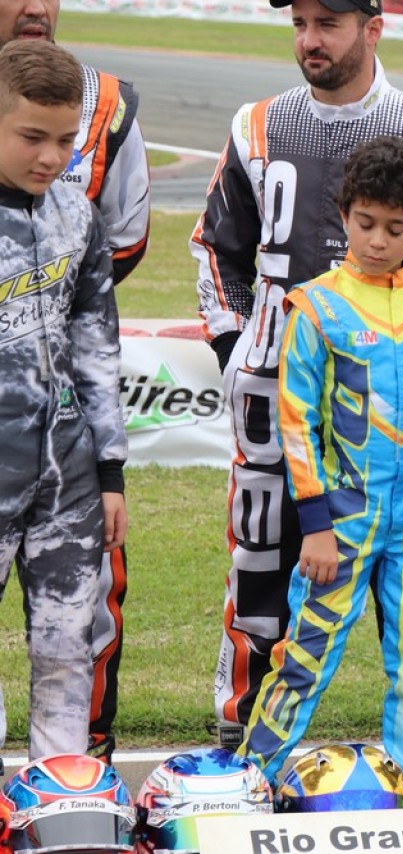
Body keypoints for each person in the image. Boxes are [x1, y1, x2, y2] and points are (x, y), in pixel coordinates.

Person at [191, 0, 403, 749]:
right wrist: (239, 351)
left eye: (327, 24)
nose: (310, 39)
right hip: (277, 399)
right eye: (300, 23)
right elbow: (215, 249)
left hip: (391, 414)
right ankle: (244, 737)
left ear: (372, 28)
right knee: (261, 556)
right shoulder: (255, 125)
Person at [238, 136, 403, 782]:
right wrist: (315, 526)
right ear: (344, 214)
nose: (377, 240)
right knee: (306, 655)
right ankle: (251, 779)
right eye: (365, 222)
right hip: (343, 514)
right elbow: (296, 423)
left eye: (395, 229)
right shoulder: (315, 305)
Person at [3, 0, 151, 763]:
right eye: (32, 137)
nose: (51, 156)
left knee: (67, 648)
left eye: (64, 140)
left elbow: (97, 345)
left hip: (67, 479)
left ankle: (60, 797)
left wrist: (111, 471)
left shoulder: (76, 213)